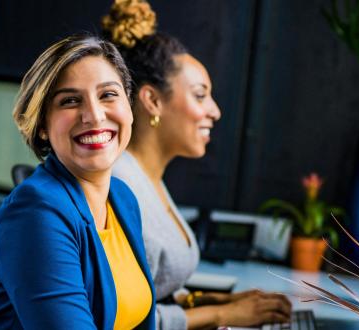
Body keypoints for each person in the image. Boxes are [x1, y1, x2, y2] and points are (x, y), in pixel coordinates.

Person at [103, 1, 293, 329]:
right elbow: (122, 318)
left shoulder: (149, 179)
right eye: (200, 95)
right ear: (152, 100)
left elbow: (155, 292)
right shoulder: (120, 186)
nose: (215, 111)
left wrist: (217, 300)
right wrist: (222, 315)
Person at [0, 35, 155, 329]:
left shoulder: (122, 198)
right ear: (42, 128)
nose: (94, 115)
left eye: (108, 95)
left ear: (128, 105)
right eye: (71, 101)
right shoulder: (35, 211)